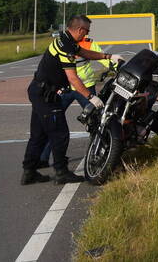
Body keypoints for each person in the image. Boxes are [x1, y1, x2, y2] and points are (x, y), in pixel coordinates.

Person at [20, 15, 124, 185]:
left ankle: (29, 172)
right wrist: (91, 96)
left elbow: (83, 52)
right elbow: (73, 78)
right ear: (80, 30)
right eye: (86, 31)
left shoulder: (64, 39)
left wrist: (108, 57)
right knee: (60, 134)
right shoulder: (66, 47)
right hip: (47, 96)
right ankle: (61, 173)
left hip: (39, 91)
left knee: (38, 134)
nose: (87, 35)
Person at [37, 35, 111, 167]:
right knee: (53, 122)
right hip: (66, 87)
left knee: (96, 121)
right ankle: (43, 158)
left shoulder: (88, 43)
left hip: (84, 87)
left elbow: (101, 57)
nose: (86, 33)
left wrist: (114, 64)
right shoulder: (62, 43)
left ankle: (99, 152)